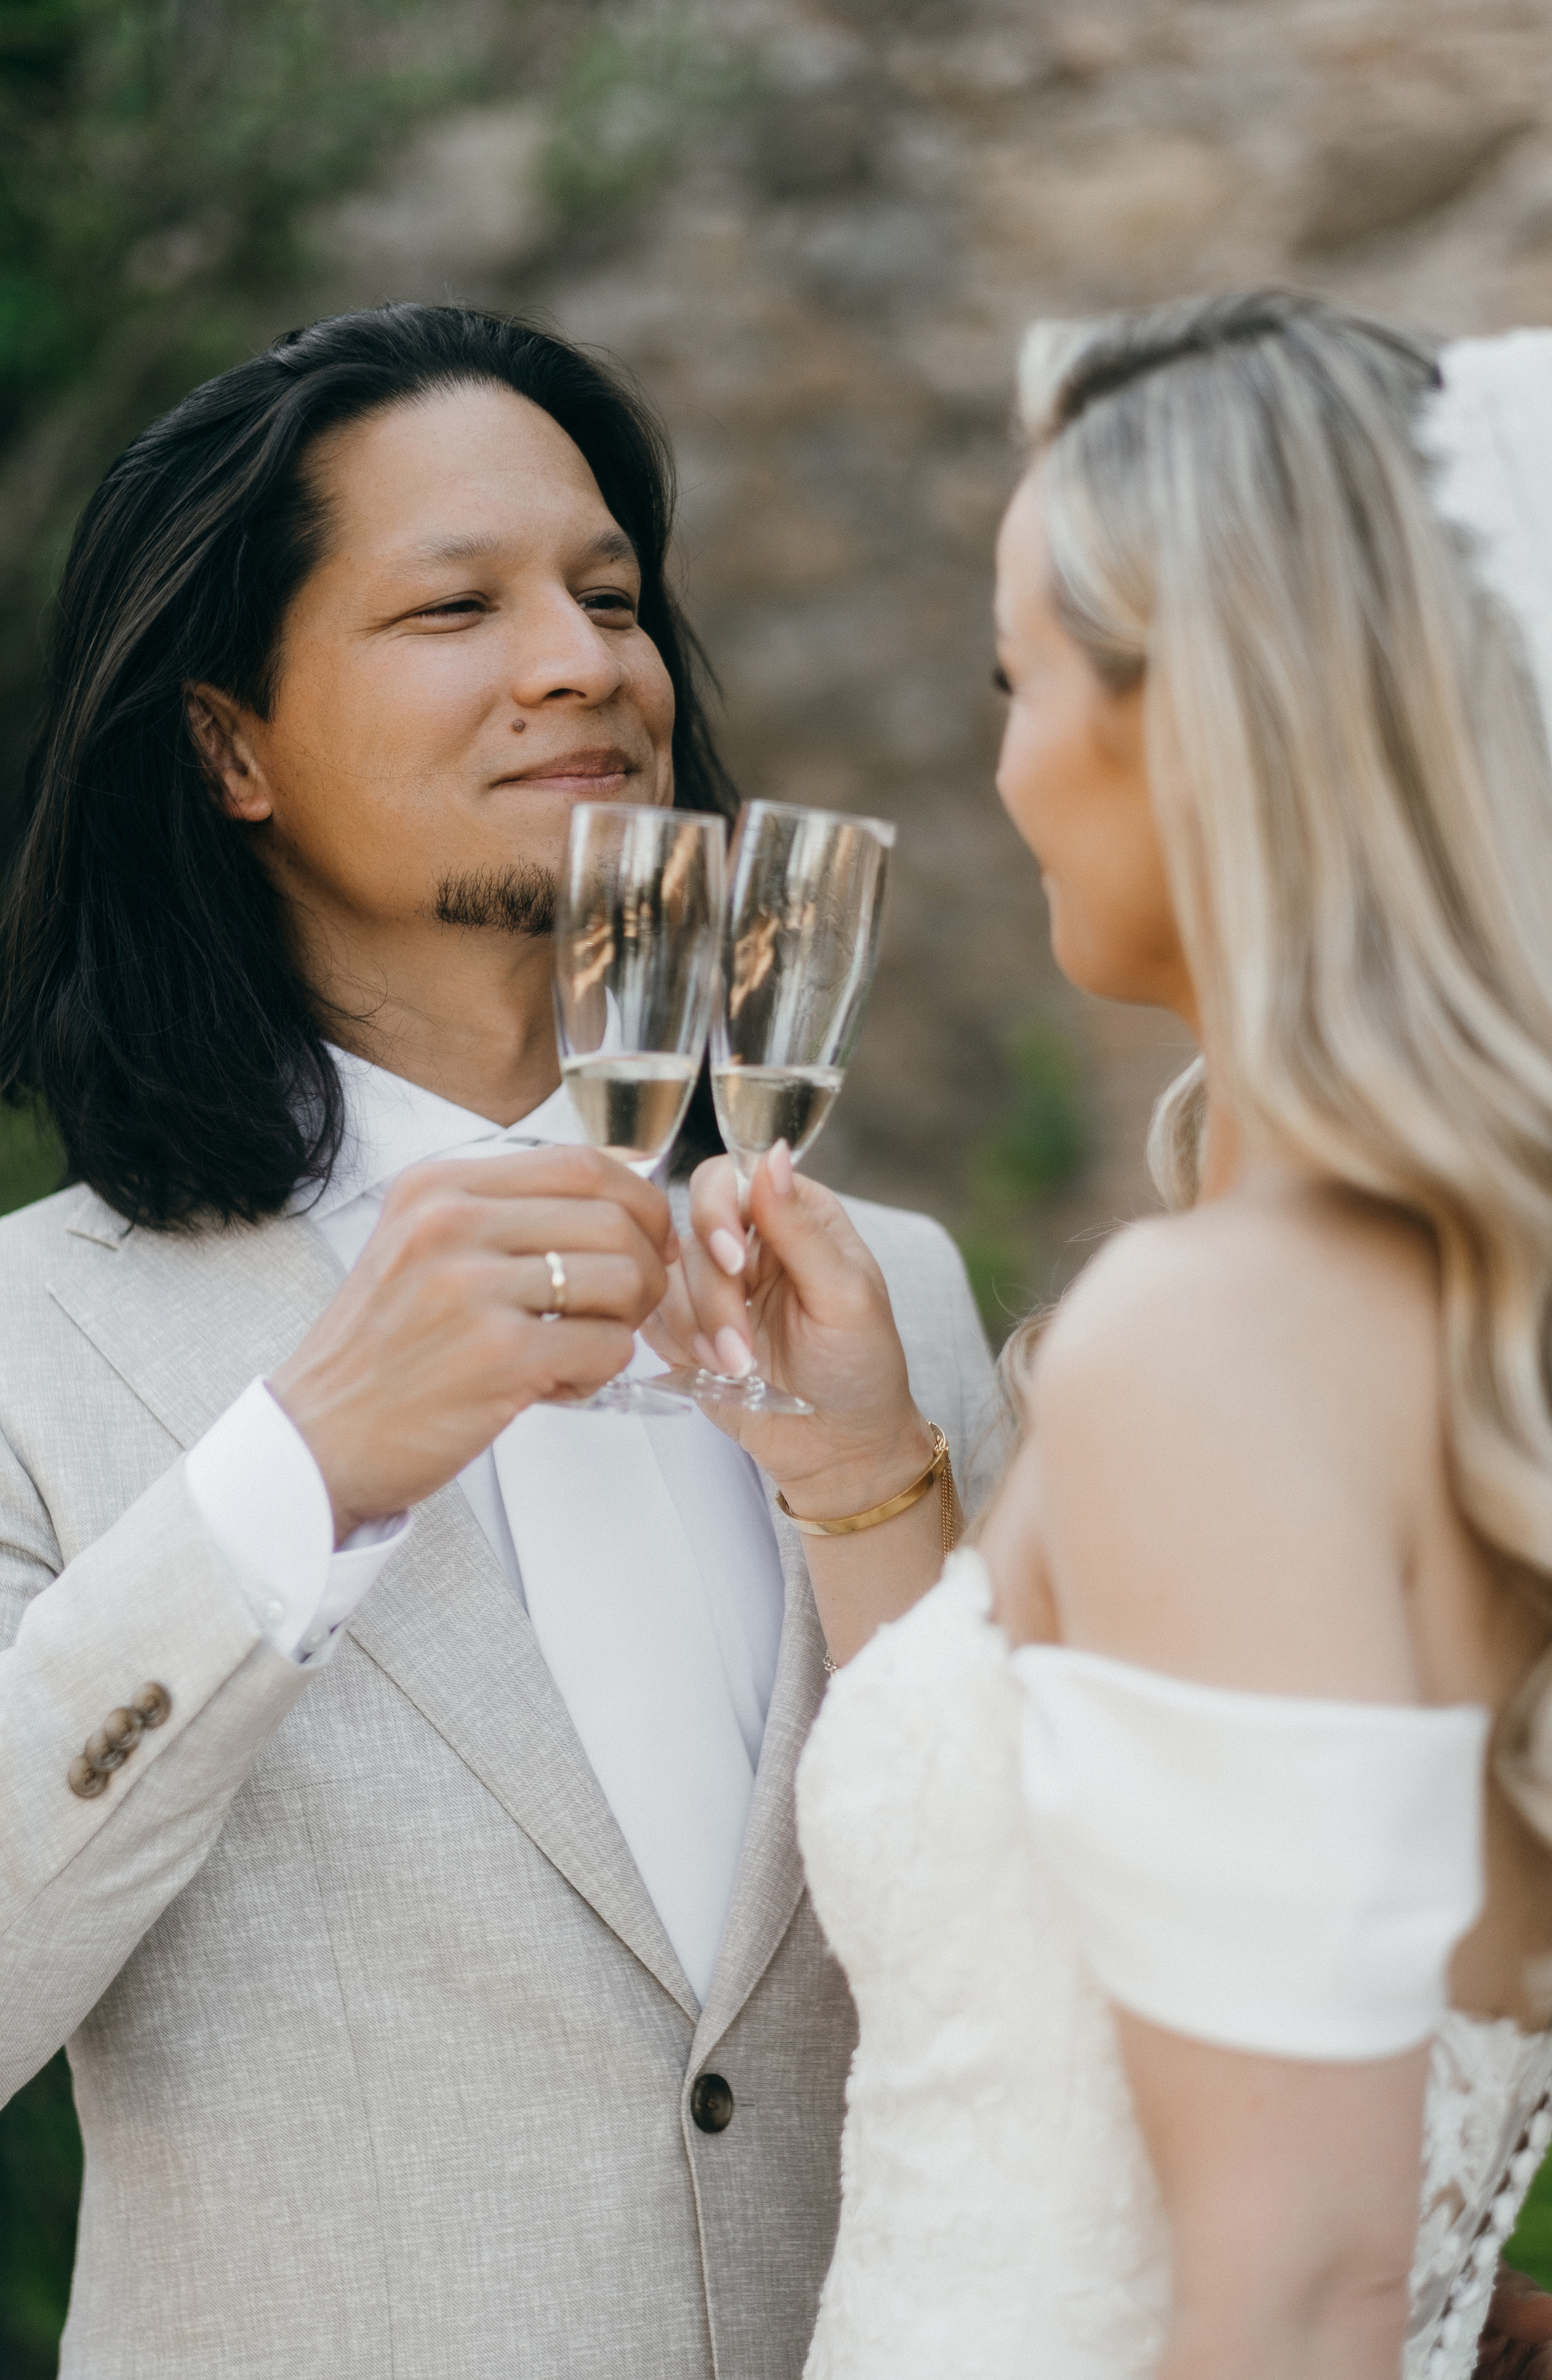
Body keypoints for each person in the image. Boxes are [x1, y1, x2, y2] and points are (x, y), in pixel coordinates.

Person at [0, 303, 997, 2378]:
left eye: (611, 594)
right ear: (229, 747)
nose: (586, 663)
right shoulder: (36, 1336)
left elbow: (1031, 1970)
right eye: (458, 603)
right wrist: (303, 1471)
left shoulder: (879, 1294)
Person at [658, 293, 1552, 2378]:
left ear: (1210, 718)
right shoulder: (1463, 1314)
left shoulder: (1213, 1339)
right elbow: (1095, 1905)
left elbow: (1296, 2282)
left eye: (1023, 676)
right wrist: (864, 1479)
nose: (998, 760)